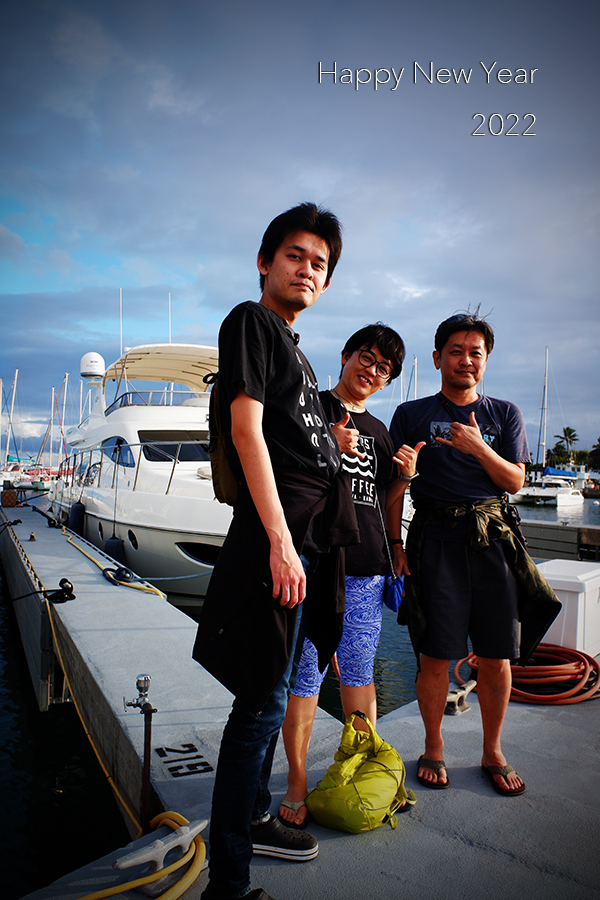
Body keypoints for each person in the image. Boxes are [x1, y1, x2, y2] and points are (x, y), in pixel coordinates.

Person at [192, 202, 359, 900]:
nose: (307, 270)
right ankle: (228, 884)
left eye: (319, 263)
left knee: (277, 689)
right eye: (295, 256)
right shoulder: (251, 322)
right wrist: (281, 544)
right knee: (260, 706)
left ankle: (258, 817)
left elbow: (295, 434)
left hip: (310, 539)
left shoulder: (296, 349)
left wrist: (332, 443)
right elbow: (247, 431)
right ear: (265, 262)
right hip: (282, 536)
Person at [389, 311, 561, 797]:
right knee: (434, 655)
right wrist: (395, 545)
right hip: (434, 540)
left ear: (485, 361)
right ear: (437, 357)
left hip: (493, 542)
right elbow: (396, 487)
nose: (466, 360)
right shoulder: (411, 414)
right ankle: (433, 746)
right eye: (456, 352)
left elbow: (515, 481)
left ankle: (492, 751)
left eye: (476, 353)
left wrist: (478, 448)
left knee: (496, 654)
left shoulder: (504, 413)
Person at [278, 323, 423, 829]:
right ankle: (297, 781)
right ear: (345, 355)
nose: (372, 371)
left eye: (384, 369)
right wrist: (328, 446)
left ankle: (362, 768)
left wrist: (405, 478)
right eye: (366, 357)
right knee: (306, 678)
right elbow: (283, 469)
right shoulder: (311, 408)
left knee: (359, 675)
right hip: (316, 564)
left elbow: (385, 500)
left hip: (365, 569)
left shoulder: (381, 432)